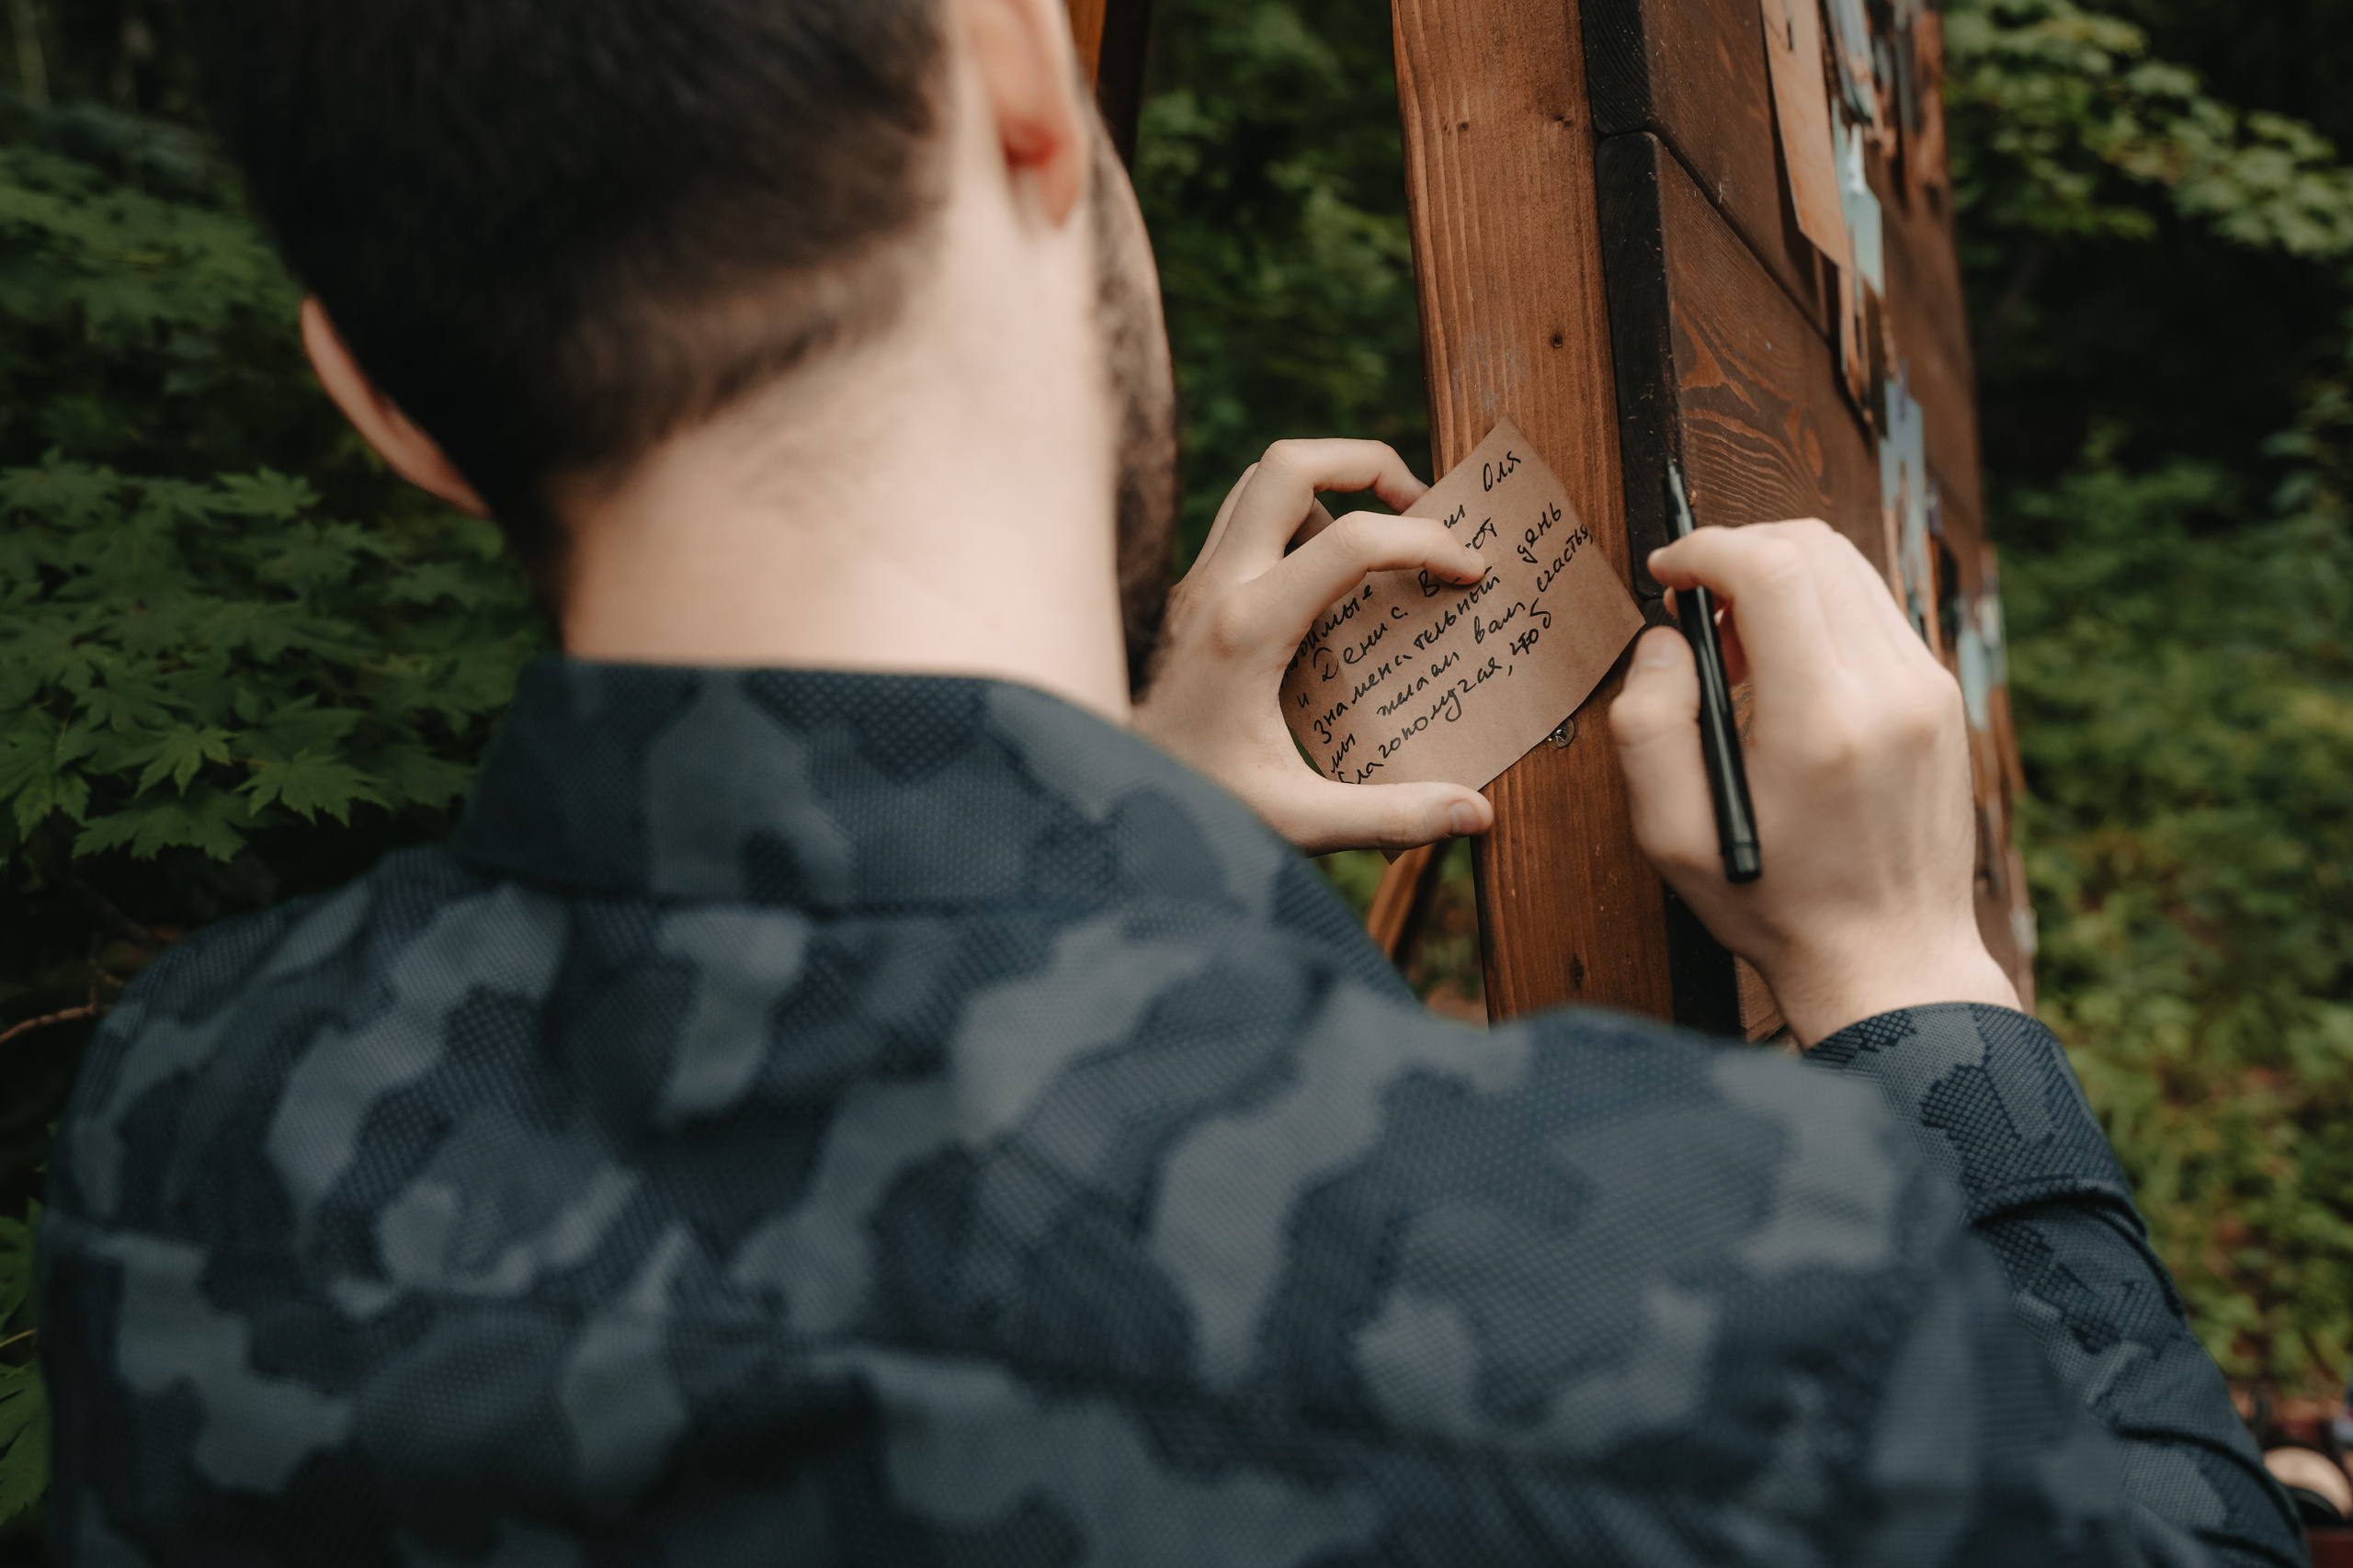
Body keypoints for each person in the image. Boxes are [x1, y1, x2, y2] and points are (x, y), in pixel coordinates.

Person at [35, 0, 2299, 1562]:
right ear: (1024, 82)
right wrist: (1920, 989)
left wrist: (1143, 827)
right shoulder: (1698, 1276)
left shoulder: (198, 1132)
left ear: (383, 402)